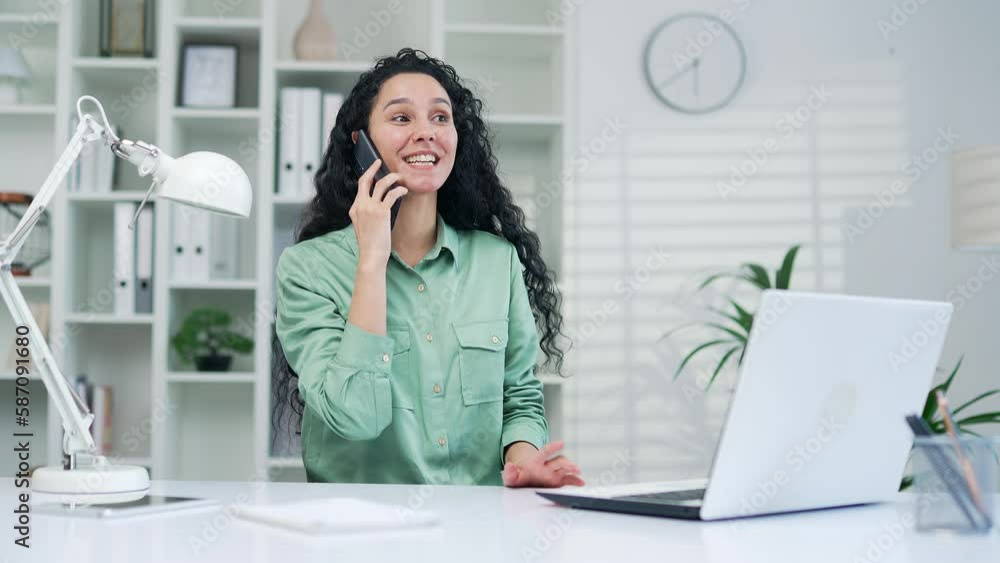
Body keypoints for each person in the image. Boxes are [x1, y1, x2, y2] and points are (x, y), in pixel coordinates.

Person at [273, 48, 583, 488]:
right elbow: (353, 417)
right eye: (401, 119)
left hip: (477, 527)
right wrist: (372, 262)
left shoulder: (496, 262)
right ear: (361, 144)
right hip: (358, 530)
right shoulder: (307, 269)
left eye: (441, 118)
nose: (426, 133)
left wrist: (523, 458)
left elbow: (519, 398)